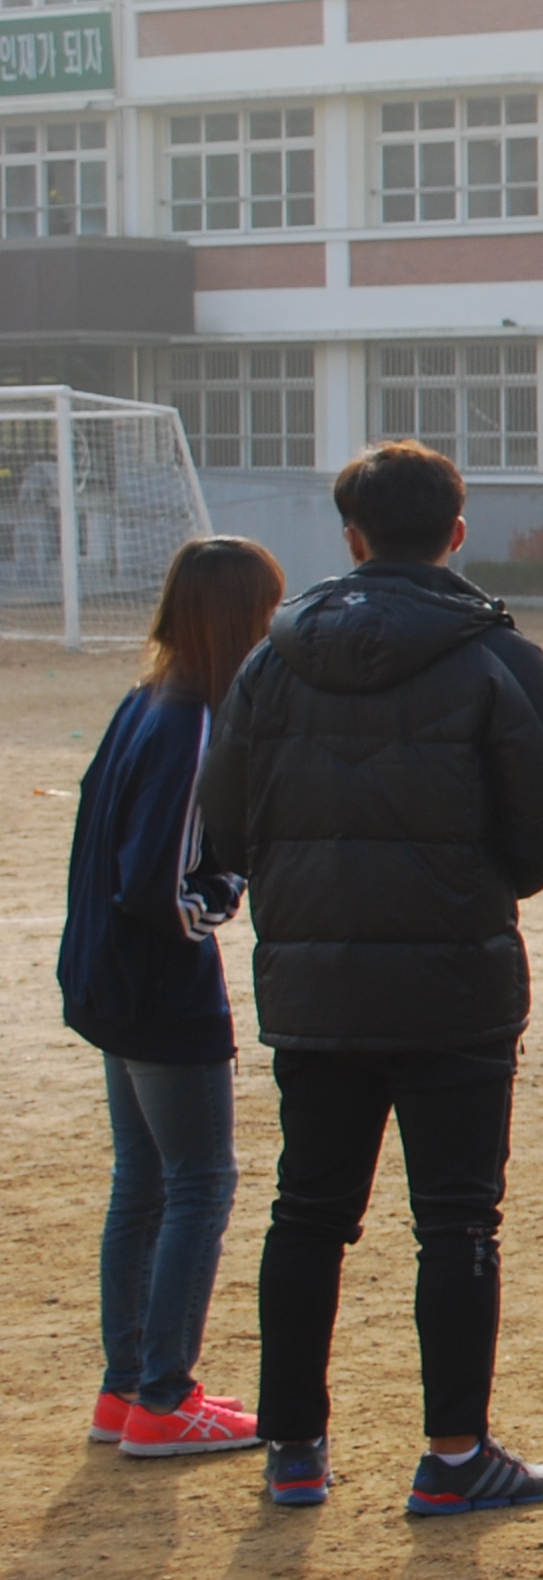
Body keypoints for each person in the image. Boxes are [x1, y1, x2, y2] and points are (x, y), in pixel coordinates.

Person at [202, 441, 543, 1515]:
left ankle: (293, 1448)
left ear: (352, 537)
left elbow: (225, 816)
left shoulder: (271, 661)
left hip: (314, 978)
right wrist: (480, 883)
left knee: (307, 1213)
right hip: (454, 979)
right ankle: (455, 1455)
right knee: (457, 1223)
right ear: (456, 533)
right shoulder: (495, 654)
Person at [60, 535, 285, 1459]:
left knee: (144, 1182)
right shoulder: (194, 721)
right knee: (201, 1182)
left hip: (110, 980)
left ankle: (127, 1388)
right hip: (159, 989)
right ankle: (163, 1395)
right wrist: (227, 893)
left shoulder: (143, 699)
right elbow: (160, 886)